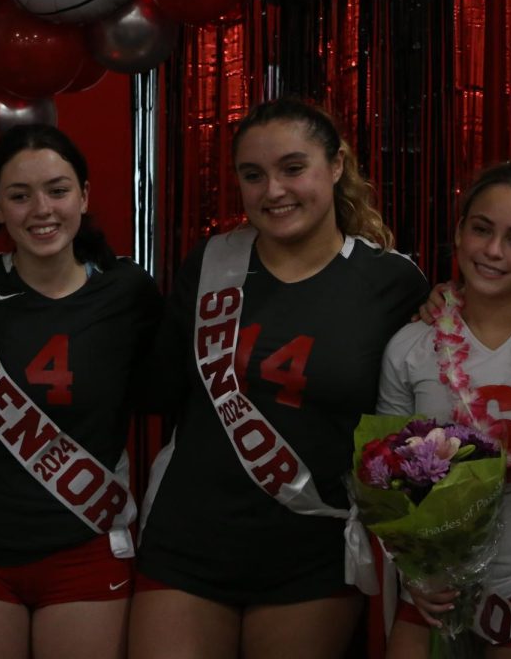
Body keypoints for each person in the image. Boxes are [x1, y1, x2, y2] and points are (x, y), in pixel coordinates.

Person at [129, 97, 430, 659]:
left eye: (293, 168)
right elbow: (158, 388)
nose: (273, 191)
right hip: (187, 543)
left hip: (309, 554)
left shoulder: (393, 283)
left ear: (336, 165)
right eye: (253, 175)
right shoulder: (212, 262)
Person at [0, 124, 161, 659]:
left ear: (84, 194)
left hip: (87, 546)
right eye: (19, 195)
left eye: (57, 190)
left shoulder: (129, 292)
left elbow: (167, 390)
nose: (41, 209)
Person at [378, 162, 511, 658]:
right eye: (482, 229)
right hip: (433, 591)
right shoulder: (411, 345)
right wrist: (414, 572)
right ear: (459, 233)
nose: (494, 251)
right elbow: (385, 480)